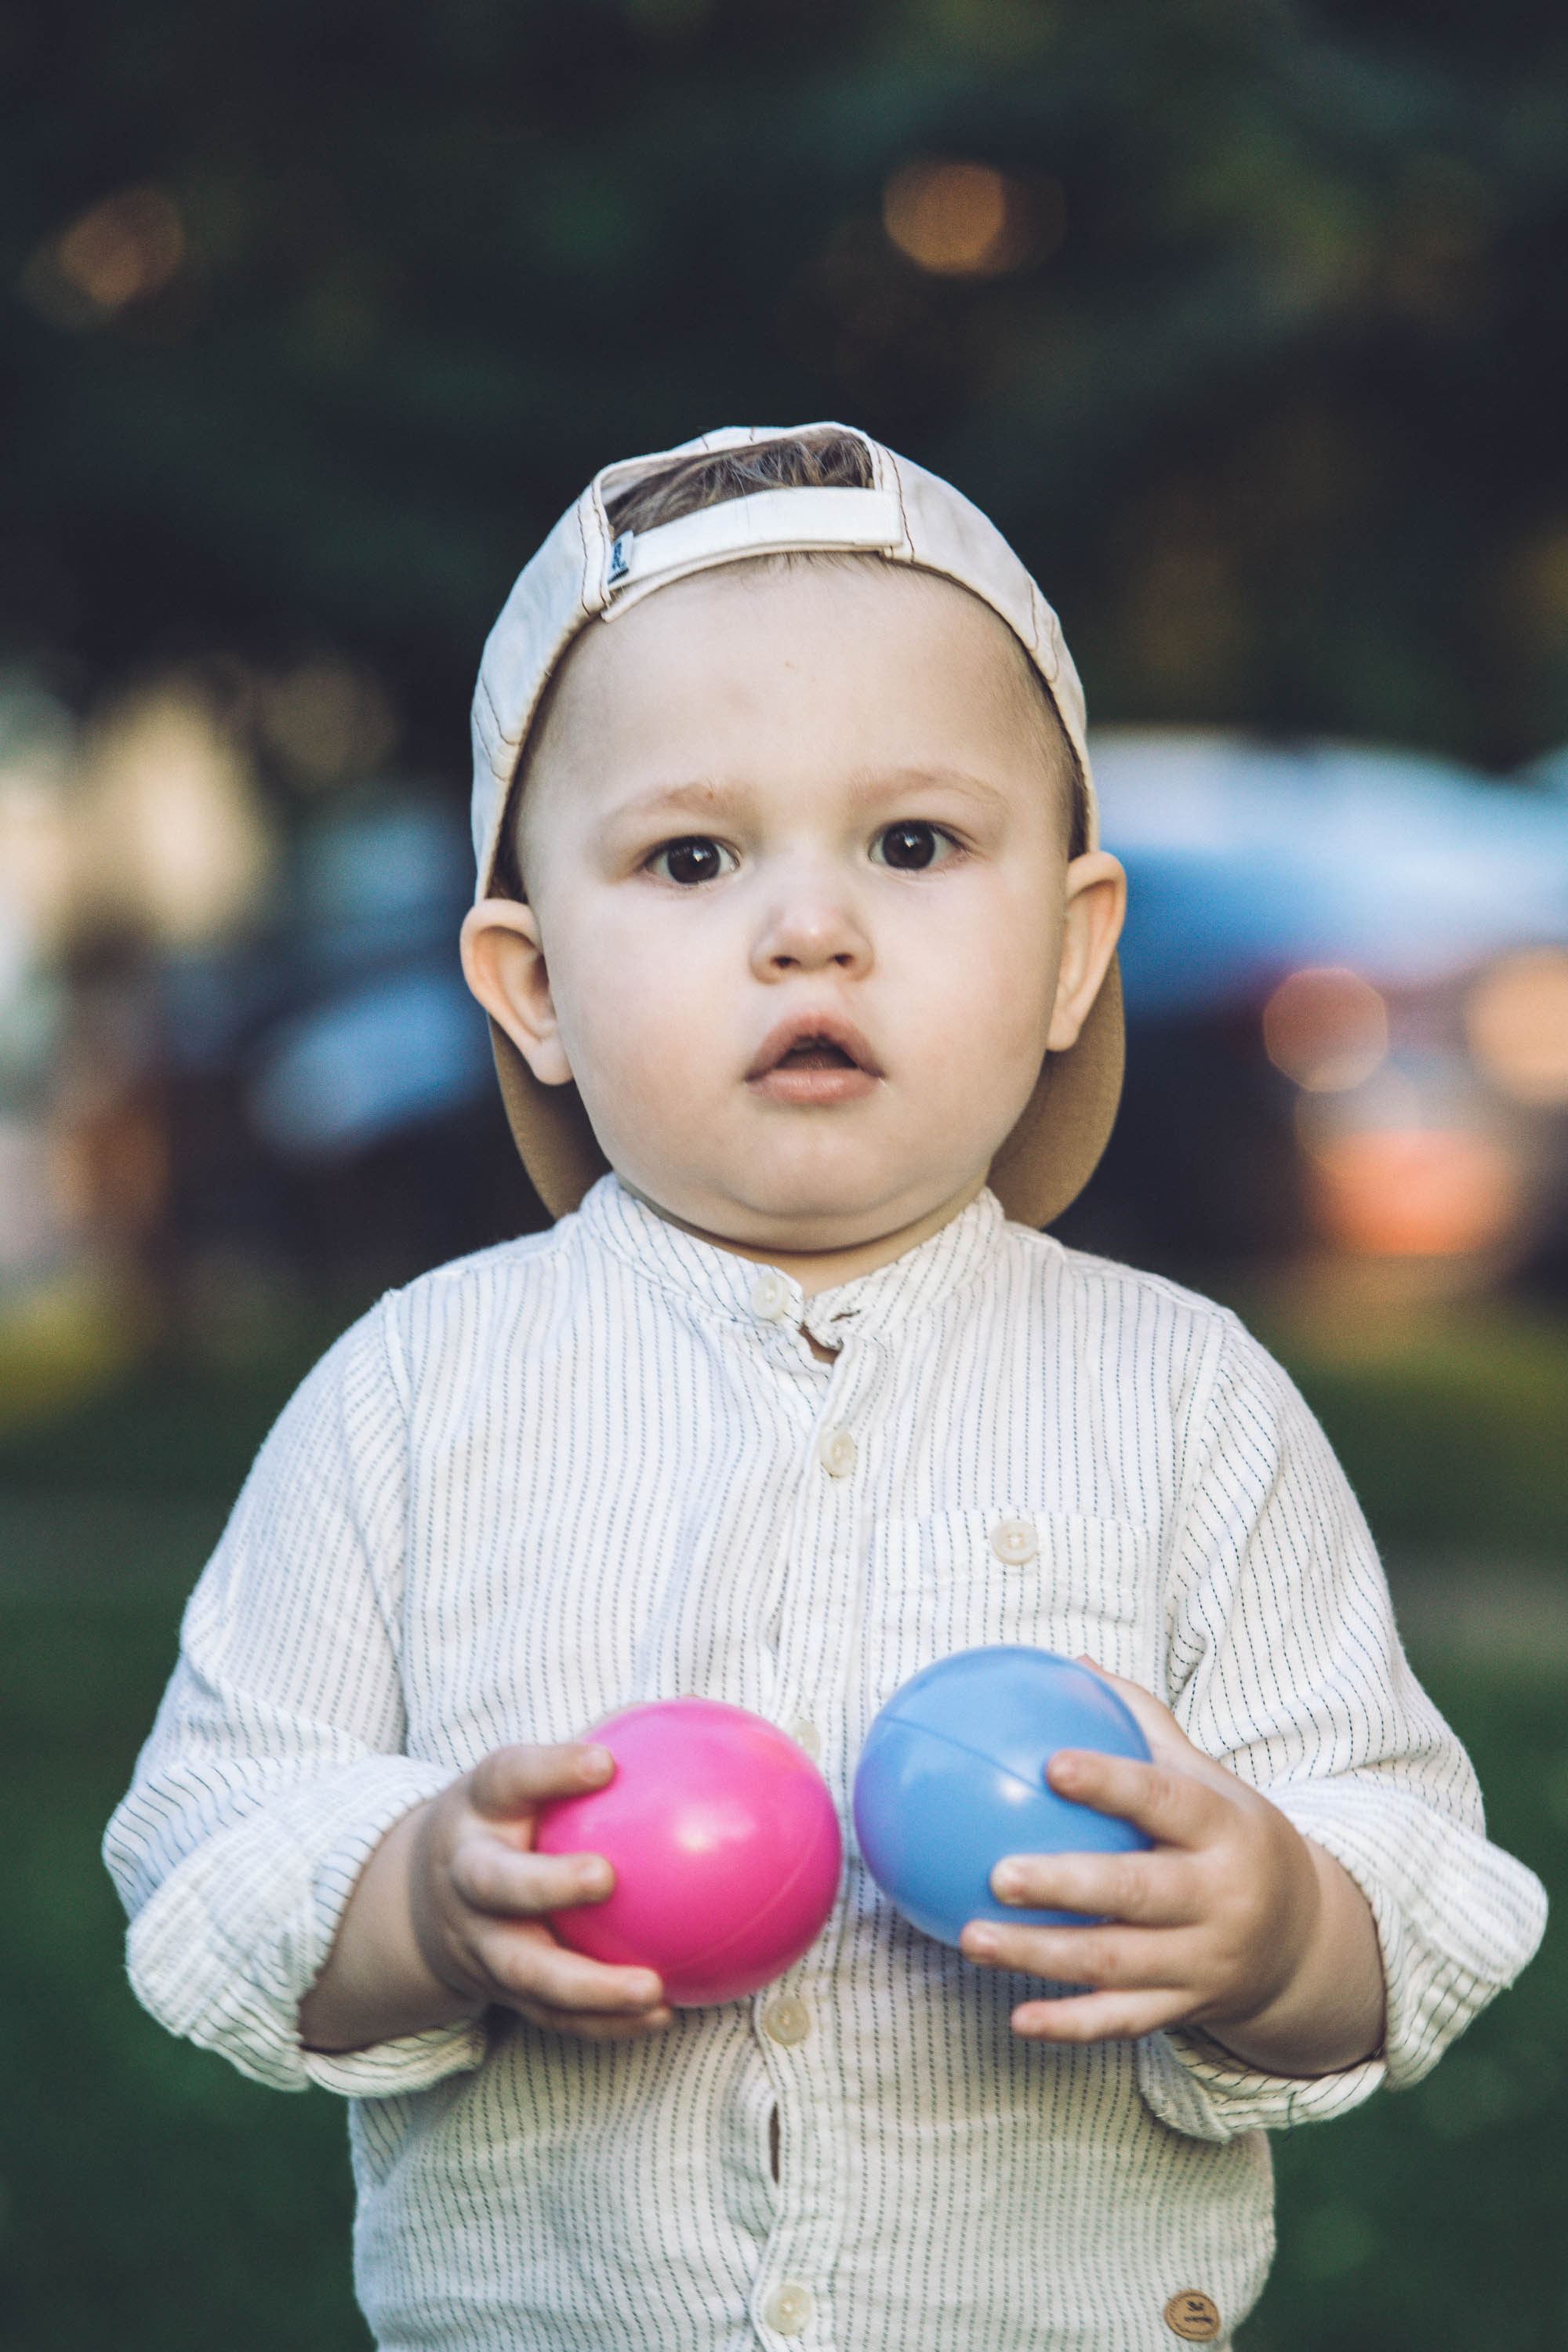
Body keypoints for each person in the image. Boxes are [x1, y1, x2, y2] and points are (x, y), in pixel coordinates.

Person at [106, 424, 1546, 2352]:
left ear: (1067, 947)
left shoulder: (1185, 1400)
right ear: (527, 984)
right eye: (692, 856)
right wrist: (420, 1912)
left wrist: (1279, 1923)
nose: (811, 924)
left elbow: (1405, 1866)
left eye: (915, 844)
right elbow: (211, 1849)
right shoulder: (412, 1399)